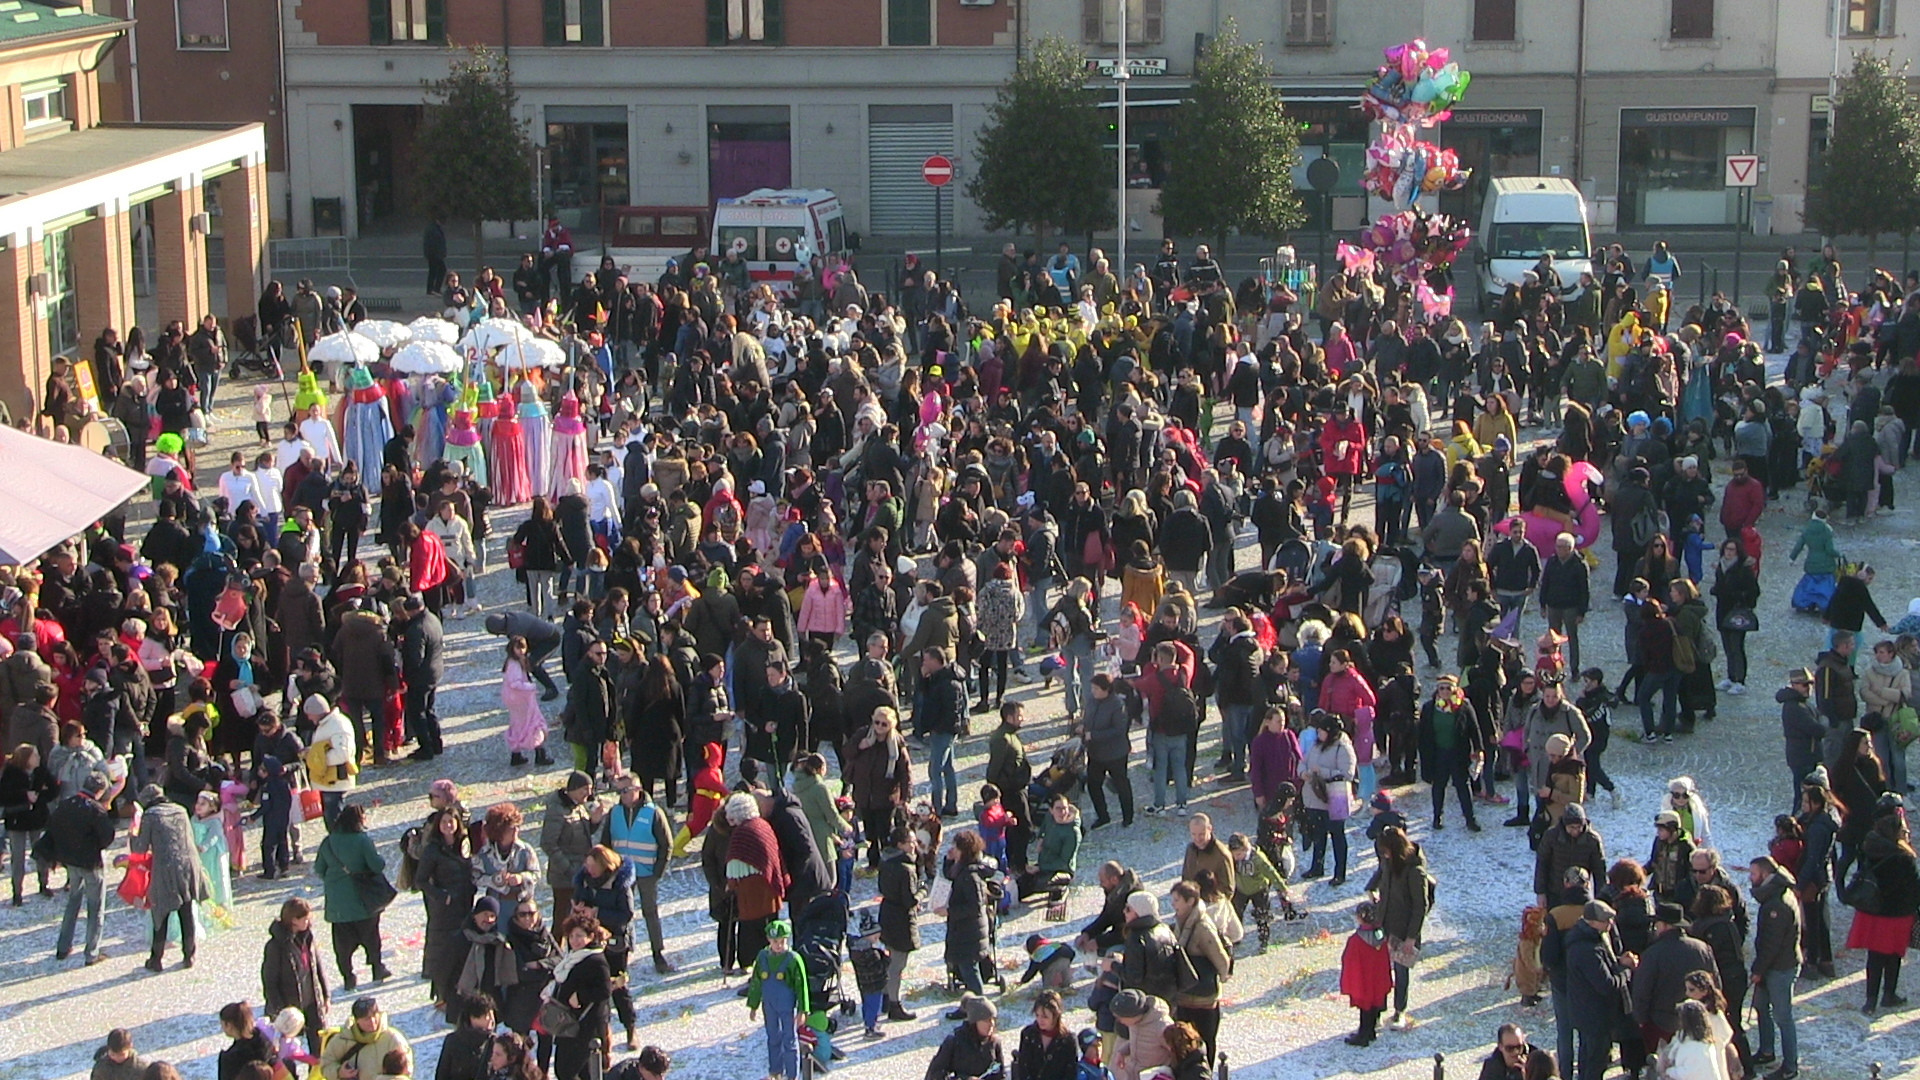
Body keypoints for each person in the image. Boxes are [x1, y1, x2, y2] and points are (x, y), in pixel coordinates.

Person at [599, 773, 677, 975]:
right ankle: (624, 950)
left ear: (637, 789)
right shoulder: (614, 813)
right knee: (623, 913)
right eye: (619, 791)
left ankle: (658, 954)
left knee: (650, 912)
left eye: (625, 791)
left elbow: (666, 844)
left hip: (646, 872)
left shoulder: (653, 813)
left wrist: (658, 871)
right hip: (622, 874)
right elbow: (605, 843)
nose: (622, 795)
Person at [130, 783, 211, 971]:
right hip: (189, 864)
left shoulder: (150, 816)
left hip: (165, 868)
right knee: (186, 909)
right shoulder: (180, 810)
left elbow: (140, 848)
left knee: (161, 910)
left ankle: (156, 959)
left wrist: (132, 834)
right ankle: (189, 955)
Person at [1847, 813, 1920, 1014]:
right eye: (1904, 830)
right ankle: (1889, 994)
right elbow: (1914, 888)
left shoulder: (1869, 849)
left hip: (1872, 912)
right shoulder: (1904, 858)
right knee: (1894, 955)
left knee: (1875, 957)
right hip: (1897, 915)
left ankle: (1870, 1001)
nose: (1907, 833)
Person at [314, 802, 392, 990]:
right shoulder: (362, 840)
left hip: (337, 904)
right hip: (362, 899)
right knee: (371, 937)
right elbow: (377, 865)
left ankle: (348, 976)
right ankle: (377, 968)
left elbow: (319, 869)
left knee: (342, 945)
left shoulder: (328, 842)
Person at [1368, 826, 1432, 1031]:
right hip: (1384, 921)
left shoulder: (1415, 871)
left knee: (1401, 971)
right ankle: (1378, 1009)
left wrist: (1411, 937)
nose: (1384, 855)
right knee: (1380, 969)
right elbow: (1381, 872)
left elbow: (1420, 906)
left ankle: (1399, 1010)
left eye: (1386, 851)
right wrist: (1371, 887)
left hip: (1403, 929)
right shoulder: (1389, 860)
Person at [47, 770, 115, 963]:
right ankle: (92, 953)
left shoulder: (67, 804)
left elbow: (54, 828)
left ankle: (63, 947)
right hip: (90, 863)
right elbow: (107, 837)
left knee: (72, 903)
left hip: (71, 862)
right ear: (100, 790)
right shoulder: (96, 809)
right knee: (95, 908)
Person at [1747, 855, 1801, 1080]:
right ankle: (1766, 1051)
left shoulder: (1776, 904)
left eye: (1753, 874)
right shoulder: (1774, 895)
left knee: (1783, 1016)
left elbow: (1772, 943)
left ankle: (1790, 1066)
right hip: (1773, 965)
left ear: (1765, 874)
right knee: (1761, 1007)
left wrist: (1758, 970)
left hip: (1780, 967)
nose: (1750, 878)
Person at [261, 897, 330, 1058]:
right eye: (305, 919)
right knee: (286, 1053)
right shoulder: (275, 946)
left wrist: (326, 995)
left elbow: (317, 967)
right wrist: (279, 1010)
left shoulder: (307, 938)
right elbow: (269, 981)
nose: (309, 922)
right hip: (289, 1006)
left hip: (312, 1001)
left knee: (320, 1047)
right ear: (293, 920)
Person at [547, 913, 612, 1080]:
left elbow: (605, 990)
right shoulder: (573, 957)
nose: (574, 940)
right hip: (569, 1023)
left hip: (585, 1026)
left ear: (590, 937)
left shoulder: (596, 959)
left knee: (569, 1070)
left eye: (579, 936)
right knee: (572, 1071)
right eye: (571, 936)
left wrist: (581, 996)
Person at [745, 918, 809, 1080]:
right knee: (773, 1037)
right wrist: (753, 1005)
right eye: (775, 941)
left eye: (782, 941)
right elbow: (756, 982)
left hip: (787, 1006)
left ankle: (792, 1074)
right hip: (769, 1005)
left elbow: (802, 987)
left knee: (789, 1039)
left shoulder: (793, 959)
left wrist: (803, 1010)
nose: (779, 945)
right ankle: (775, 1072)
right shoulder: (762, 957)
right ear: (769, 940)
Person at [539, 771, 604, 923]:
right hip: (563, 877)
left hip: (580, 873)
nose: (588, 795)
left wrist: (594, 822)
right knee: (562, 920)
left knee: (578, 921)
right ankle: (557, 947)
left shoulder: (578, 806)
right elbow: (548, 844)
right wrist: (570, 870)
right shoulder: (557, 810)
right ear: (573, 789)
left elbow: (581, 833)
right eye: (584, 790)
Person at [1302, 712, 1358, 885]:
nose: (1319, 734)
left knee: (1337, 836)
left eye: (1322, 731)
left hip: (1334, 798)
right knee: (1318, 834)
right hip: (1315, 797)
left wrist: (1323, 772)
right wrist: (1302, 772)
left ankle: (1339, 872)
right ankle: (1316, 867)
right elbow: (1303, 760)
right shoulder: (1316, 745)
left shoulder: (1343, 747)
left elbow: (1347, 774)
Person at [1340, 900, 1393, 1047]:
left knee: (1365, 1009)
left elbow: (1349, 961)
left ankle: (1364, 1035)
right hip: (1378, 979)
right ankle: (1371, 1032)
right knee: (1375, 1005)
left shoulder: (1356, 940)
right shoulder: (1380, 935)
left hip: (1363, 981)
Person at [318, 997, 410, 1080]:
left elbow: (407, 1071)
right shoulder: (343, 1039)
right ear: (357, 1020)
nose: (372, 1021)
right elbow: (325, 1065)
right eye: (367, 1019)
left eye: (375, 1015)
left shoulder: (393, 1039)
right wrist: (339, 1072)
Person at [925, 992, 1007, 1080]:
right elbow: (935, 1075)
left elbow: (1000, 1074)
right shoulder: (954, 1041)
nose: (992, 1024)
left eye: (993, 1019)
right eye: (986, 1020)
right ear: (975, 1022)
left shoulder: (994, 1042)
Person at [1012, 988, 1078, 1080]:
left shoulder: (1068, 1040)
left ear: (1056, 1016)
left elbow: (1070, 1073)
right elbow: (1023, 1069)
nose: (1040, 1020)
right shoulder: (1028, 1034)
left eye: (1045, 1017)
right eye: (1037, 1015)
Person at [1476, 1023, 1542, 1080]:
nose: (1516, 1052)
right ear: (1500, 1047)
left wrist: (1529, 1076)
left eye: (1519, 1047)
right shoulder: (1492, 1067)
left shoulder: (1537, 1063)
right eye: (1510, 1048)